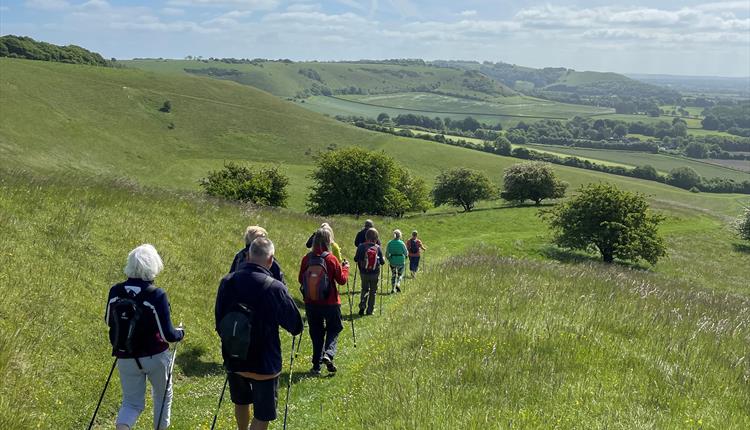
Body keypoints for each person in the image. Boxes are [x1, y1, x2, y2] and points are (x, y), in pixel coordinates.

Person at [215, 237, 303, 430]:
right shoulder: (275, 287)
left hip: (235, 356)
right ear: (271, 260)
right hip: (264, 362)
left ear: (247, 256)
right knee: (263, 414)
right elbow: (295, 325)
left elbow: (219, 321)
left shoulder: (227, 282)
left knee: (241, 402)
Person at [105, 244, 185, 430]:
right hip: (155, 356)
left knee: (131, 403)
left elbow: (109, 321)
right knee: (162, 397)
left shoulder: (116, 291)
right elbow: (168, 335)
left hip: (125, 355)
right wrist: (181, 332)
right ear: (153, 266)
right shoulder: (156, 294)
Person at [298, 228, 349, 375]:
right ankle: (329, 353)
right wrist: (345, 268)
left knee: (316, 333)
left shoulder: (307, 258)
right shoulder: (331, 259)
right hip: (331, 302)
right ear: (328, 241)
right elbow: (342, 280)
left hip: (311, 302)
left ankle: (316, 365)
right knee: (334, 328)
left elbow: (301, 279)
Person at [354, 228, 385, 316]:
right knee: (373, 291)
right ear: (376, 238)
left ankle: (362, 306)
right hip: (375, 272)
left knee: (364, 289)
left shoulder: (361, 246)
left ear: (366, 237)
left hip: (364, 272)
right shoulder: (377, 248)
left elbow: (356, 259)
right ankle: (370, 310)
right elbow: (382, 262)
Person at [385, 229, 408, 293]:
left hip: (393, 261)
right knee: (400, 274)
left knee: (393, 275)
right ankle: (398, 283)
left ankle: (393, 288)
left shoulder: (390, 243)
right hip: (401, 261)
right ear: (400, 235)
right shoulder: (401, 243)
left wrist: (389, 259)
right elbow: (406, 253)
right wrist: (405, 257)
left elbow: (387, 254)